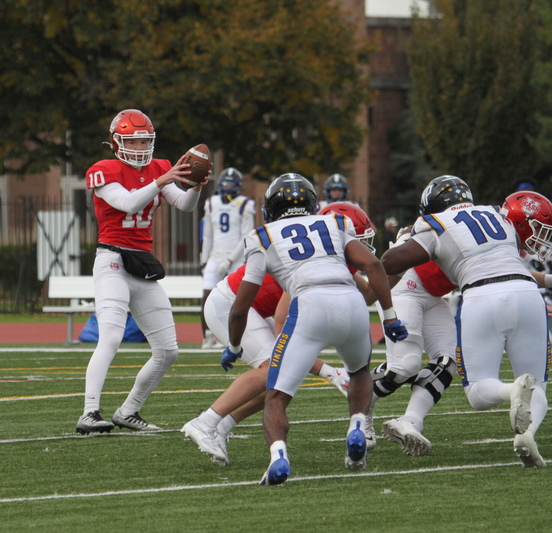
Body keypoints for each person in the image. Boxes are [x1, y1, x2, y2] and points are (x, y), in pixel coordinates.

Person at [223, 173, 408, 485]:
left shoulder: (261, 236)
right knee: (359, 371)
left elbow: (241, 307)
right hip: (350, 302)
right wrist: (390, 317)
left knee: (276, 398)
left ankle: (278, 456)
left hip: (308, 305)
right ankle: (358, 425)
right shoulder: (335, 224)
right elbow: (373, 266)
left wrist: (234, 346)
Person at [381, 176, 551, 468]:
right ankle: (527, 435)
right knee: (538, 386)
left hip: (481, 296)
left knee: (478, 392)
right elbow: (508, 262)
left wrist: (404, 243)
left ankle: (512, 391)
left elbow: (391, 263)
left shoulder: (434, 222)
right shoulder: (500, 215)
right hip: (527, 294)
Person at [75, 109, 209, 435]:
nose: (138, 145)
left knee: (168, 350)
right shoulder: (104, 170)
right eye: (132, 139)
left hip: (142, 265)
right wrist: (160, 180)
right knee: (109, 336)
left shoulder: (158, 167)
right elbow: (129, 203)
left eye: (144, 139)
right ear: (115, 142)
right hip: (112, 263)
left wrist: (195, 185)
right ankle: (90, 412)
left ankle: (129, 410)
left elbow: (184, 205)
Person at [182, 264, 351, 466]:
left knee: (284, 380)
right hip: (229, 304)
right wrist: (235, 345)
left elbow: (369, 283)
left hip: (248, 308)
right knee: (274, 367)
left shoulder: (326, 263)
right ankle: (204, 422)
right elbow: (284, 334)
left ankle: (221, 426)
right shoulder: (306, 267)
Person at [371, 226, 459, 456]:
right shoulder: (437, 224)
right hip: (407, 285)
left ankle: (410, 422)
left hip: (434, 295)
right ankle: (360, 413)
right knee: (405, 366)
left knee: (449, 360)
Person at [199, 167, 256, 349]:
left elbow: (245, 236)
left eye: (232, 184)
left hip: (236, 258)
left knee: (238, 299)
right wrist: (204, 259)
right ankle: (207, 336)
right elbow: (207, 235)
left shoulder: (245, 204)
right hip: (215, 255)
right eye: (226, 184)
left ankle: (233, 337)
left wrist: (230, 260)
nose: (229, 188)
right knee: (207, 295)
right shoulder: (211, 202)